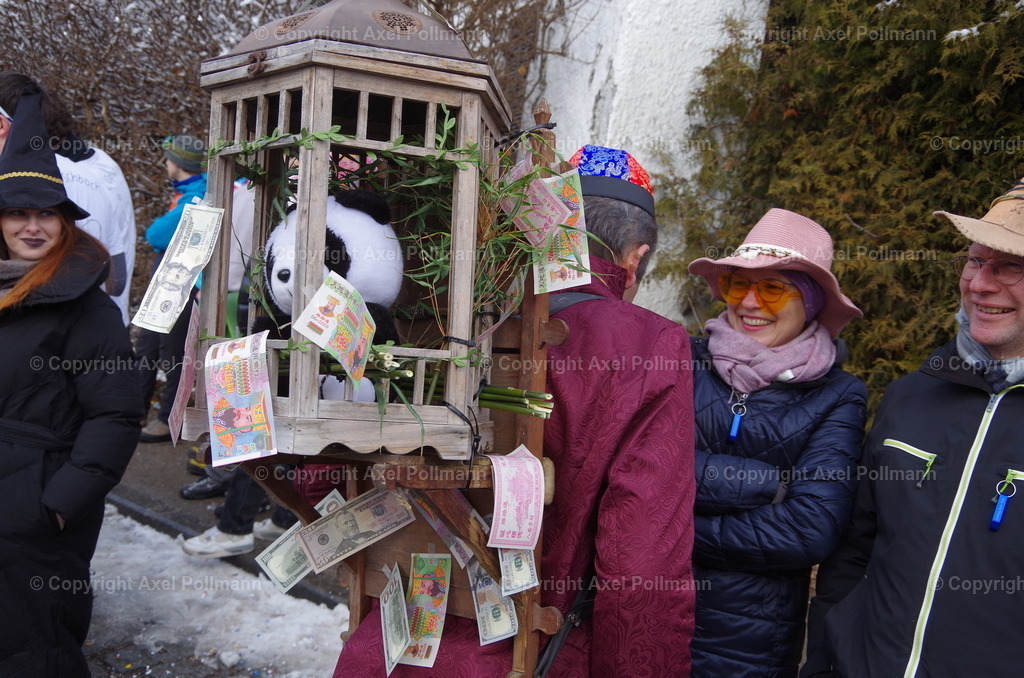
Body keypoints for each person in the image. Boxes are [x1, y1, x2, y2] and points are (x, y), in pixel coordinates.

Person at [333, 144, 697, 676]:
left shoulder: (434, 306)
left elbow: (331, 477)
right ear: (635, 257)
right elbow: (641, 566)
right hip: (527, 656)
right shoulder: (648, 346)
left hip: (387, 646)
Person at [802, 180, 1024, 677]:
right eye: (974, 260)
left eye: (1011, 265)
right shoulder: (911, 397)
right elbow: (853, 555)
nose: (980, 283)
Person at [684, 209, 867, 676]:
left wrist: (669, 528)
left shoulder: (837, 395)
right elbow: (637, 468)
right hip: (649, 611)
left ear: (809, 301)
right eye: (737, 284)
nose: (749, 302)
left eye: (771, 288)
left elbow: (810, 529)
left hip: (749, 648)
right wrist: (768, 485)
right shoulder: (682, 361)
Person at [0, 90, 142, 676]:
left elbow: (116, 416)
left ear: (64, 220)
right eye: (17, 212)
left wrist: (56, 507)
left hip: (36, 520)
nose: (32, 227)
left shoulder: (87, 308)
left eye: (46, 214)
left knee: (39, 652)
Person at [0, 71, 136, 324]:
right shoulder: (103, 166)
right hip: (106, 320)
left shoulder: (35, 182)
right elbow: (117, 278)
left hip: (55, 327)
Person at [136, 133, 207, 443]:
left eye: (168, 159)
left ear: (178, 163)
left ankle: (168, 420)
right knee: (147, 348)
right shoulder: (187, 191)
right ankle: (132, 413)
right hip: (165, 285)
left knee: (171, 353)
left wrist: (156, 229)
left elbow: (157, 234)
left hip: (182, 286)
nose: (165, 165)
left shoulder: (197, 193)